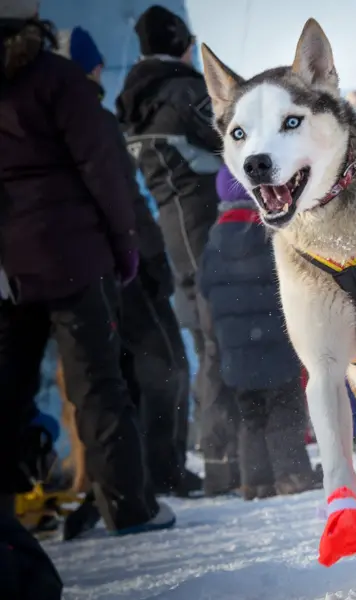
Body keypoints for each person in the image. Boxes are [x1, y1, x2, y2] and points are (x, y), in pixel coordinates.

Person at [0, 5, 174, 534]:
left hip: (8, 269)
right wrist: (125, 247)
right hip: (73, 258)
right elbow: (104, 170)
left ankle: (9, 516)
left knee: (7, 389)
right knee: (97, 385)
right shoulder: (58, 80)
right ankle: (128, 508)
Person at [55, 25, 199, 498]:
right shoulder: (88, 119)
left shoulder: (45, 122)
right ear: (90, 69)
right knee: (166, 365)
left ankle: (113, 480)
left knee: (104, 378)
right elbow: (121, 199)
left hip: (75, 267)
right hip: (124, 262)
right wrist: (147, 255)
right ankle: (162, 472)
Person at [116, 5, 239, 496]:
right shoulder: (187, 92)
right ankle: (226, 463)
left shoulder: (131, 100)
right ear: (183, 44)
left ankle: (216, 458)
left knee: (204, 344)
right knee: (222, 345)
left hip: (171, 235)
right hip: (208, 232)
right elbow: (235, 145)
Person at [200, 166, 323, 500]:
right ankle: (292, 474)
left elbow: (205, 293)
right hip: (277, 347)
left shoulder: (212, 245)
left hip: (236, 353)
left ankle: (256, 482)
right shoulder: (271, 236)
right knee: (285, 409)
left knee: (250, 417)